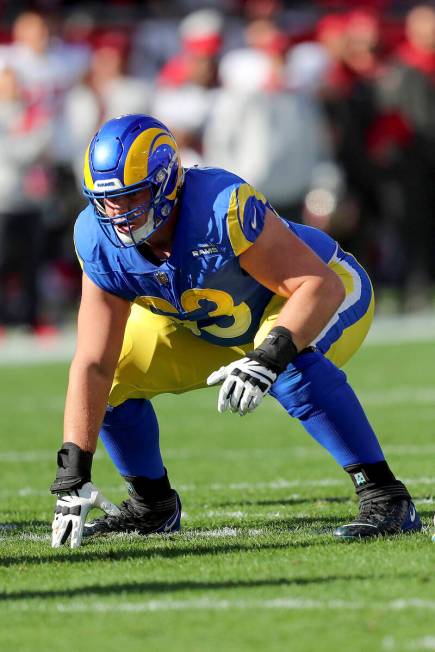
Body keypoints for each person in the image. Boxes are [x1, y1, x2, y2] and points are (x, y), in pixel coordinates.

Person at [50, 113, 421, 548]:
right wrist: (71, 474)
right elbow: (93, 362)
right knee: (113, 377)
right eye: (107, 200)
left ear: (168, 182)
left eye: (134, 196)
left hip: (319, 291)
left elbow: (317, 286)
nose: (119, 213)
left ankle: (385, 495)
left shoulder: (220, 206)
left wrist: (268, 356)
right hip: (206, 323)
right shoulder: (96, 238)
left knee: (287, 366)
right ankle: (152, 506)